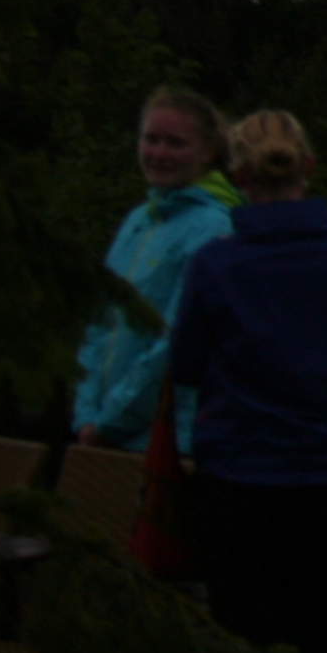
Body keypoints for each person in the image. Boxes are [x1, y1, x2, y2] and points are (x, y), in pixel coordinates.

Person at [170, 110, 327, 653]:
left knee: (247, 649)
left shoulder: (217, 265)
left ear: (238, 175)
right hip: (325, 473)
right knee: (319, 641)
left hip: (237, 480)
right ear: (309, 168)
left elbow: (186, 363)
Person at [72, 87, 242, 450]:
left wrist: (112, 421)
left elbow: (175, 340)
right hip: (104, 434)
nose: (159, 154)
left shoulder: (213, 229)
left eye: (176, 143)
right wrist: (86, 412)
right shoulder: (140, 222)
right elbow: (100, 323)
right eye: (151, 140)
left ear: (208, 151)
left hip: (164, 439)